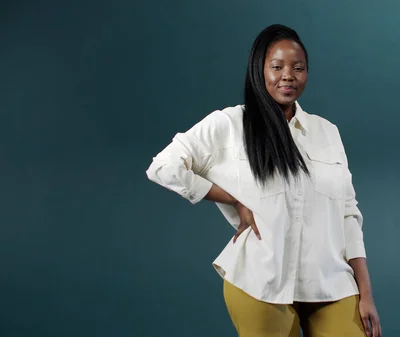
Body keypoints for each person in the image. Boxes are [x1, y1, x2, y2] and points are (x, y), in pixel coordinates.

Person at [145, 24, 382, 337]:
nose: (288, 75)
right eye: (277, 66)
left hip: (330, 284)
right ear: (259, 70)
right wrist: (232, 199)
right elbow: (163, 166)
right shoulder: (230, 124)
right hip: (261, 283)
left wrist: (366, 294)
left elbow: (349, 216)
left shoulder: (327, 132)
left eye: (298, 68)